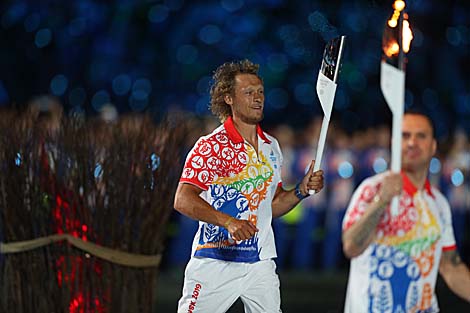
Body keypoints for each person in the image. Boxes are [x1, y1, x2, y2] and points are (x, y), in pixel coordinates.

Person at [173, 59, 324, 313]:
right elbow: (183, 199)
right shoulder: (210, 146)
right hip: (215, 262)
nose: (257, 98)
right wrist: (228, 221)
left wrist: (299, 190)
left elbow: (271, 207)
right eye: (248, 92)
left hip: (260, 264)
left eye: (260, 92)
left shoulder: (271, 147)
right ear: (228, 98)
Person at [341, 109, 470, 312]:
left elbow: (451, 267)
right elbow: (351, 246)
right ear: (394, 143)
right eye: (405, 136)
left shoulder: (438, 203)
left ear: (433, 146)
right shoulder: (372, 189)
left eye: (421, 136)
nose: (412, 143)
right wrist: (380, 202)